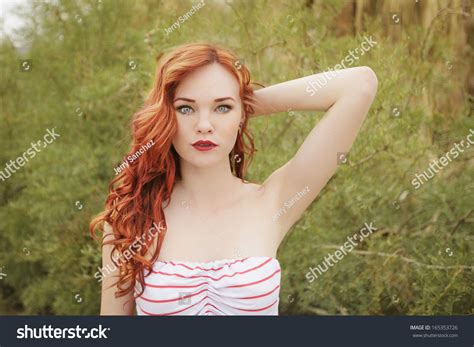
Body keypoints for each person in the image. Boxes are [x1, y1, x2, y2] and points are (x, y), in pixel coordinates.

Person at [89, 42, 378, 315]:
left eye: (221, 108)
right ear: (165, 116)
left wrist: (243, 104)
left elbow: (359, 84)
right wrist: (228, 107)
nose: (204, 126)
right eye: (185, 108)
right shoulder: (130, 219)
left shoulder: (273, 201)